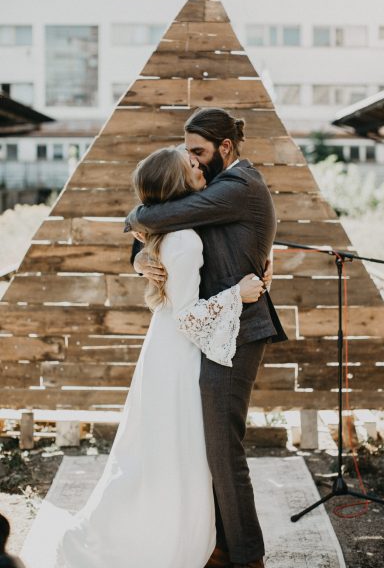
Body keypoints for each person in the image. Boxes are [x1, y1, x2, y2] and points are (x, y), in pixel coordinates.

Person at [47, 146, 264, 568]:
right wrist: (238, 294)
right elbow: (187, 316)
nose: (198, 166)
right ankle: (158, 535)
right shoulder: (182, 238)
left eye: (197, 158)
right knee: (173, 448)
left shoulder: (174, 226)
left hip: (164, 347)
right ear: (178, 183)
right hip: (178, 354)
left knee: (159, 445)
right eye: (191, 165)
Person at [125, 107, 288, 568]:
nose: (190, 160)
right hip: (209, 326)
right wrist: (139, 257)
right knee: (207, 444)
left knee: (222, 446)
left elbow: (162, 211)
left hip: (237, 331)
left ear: (226, 149)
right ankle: (218, 544)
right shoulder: (215, 187)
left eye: (197, 152)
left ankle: (246, 554)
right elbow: (168, 216)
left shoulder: (239, 187)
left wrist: (135, 216)